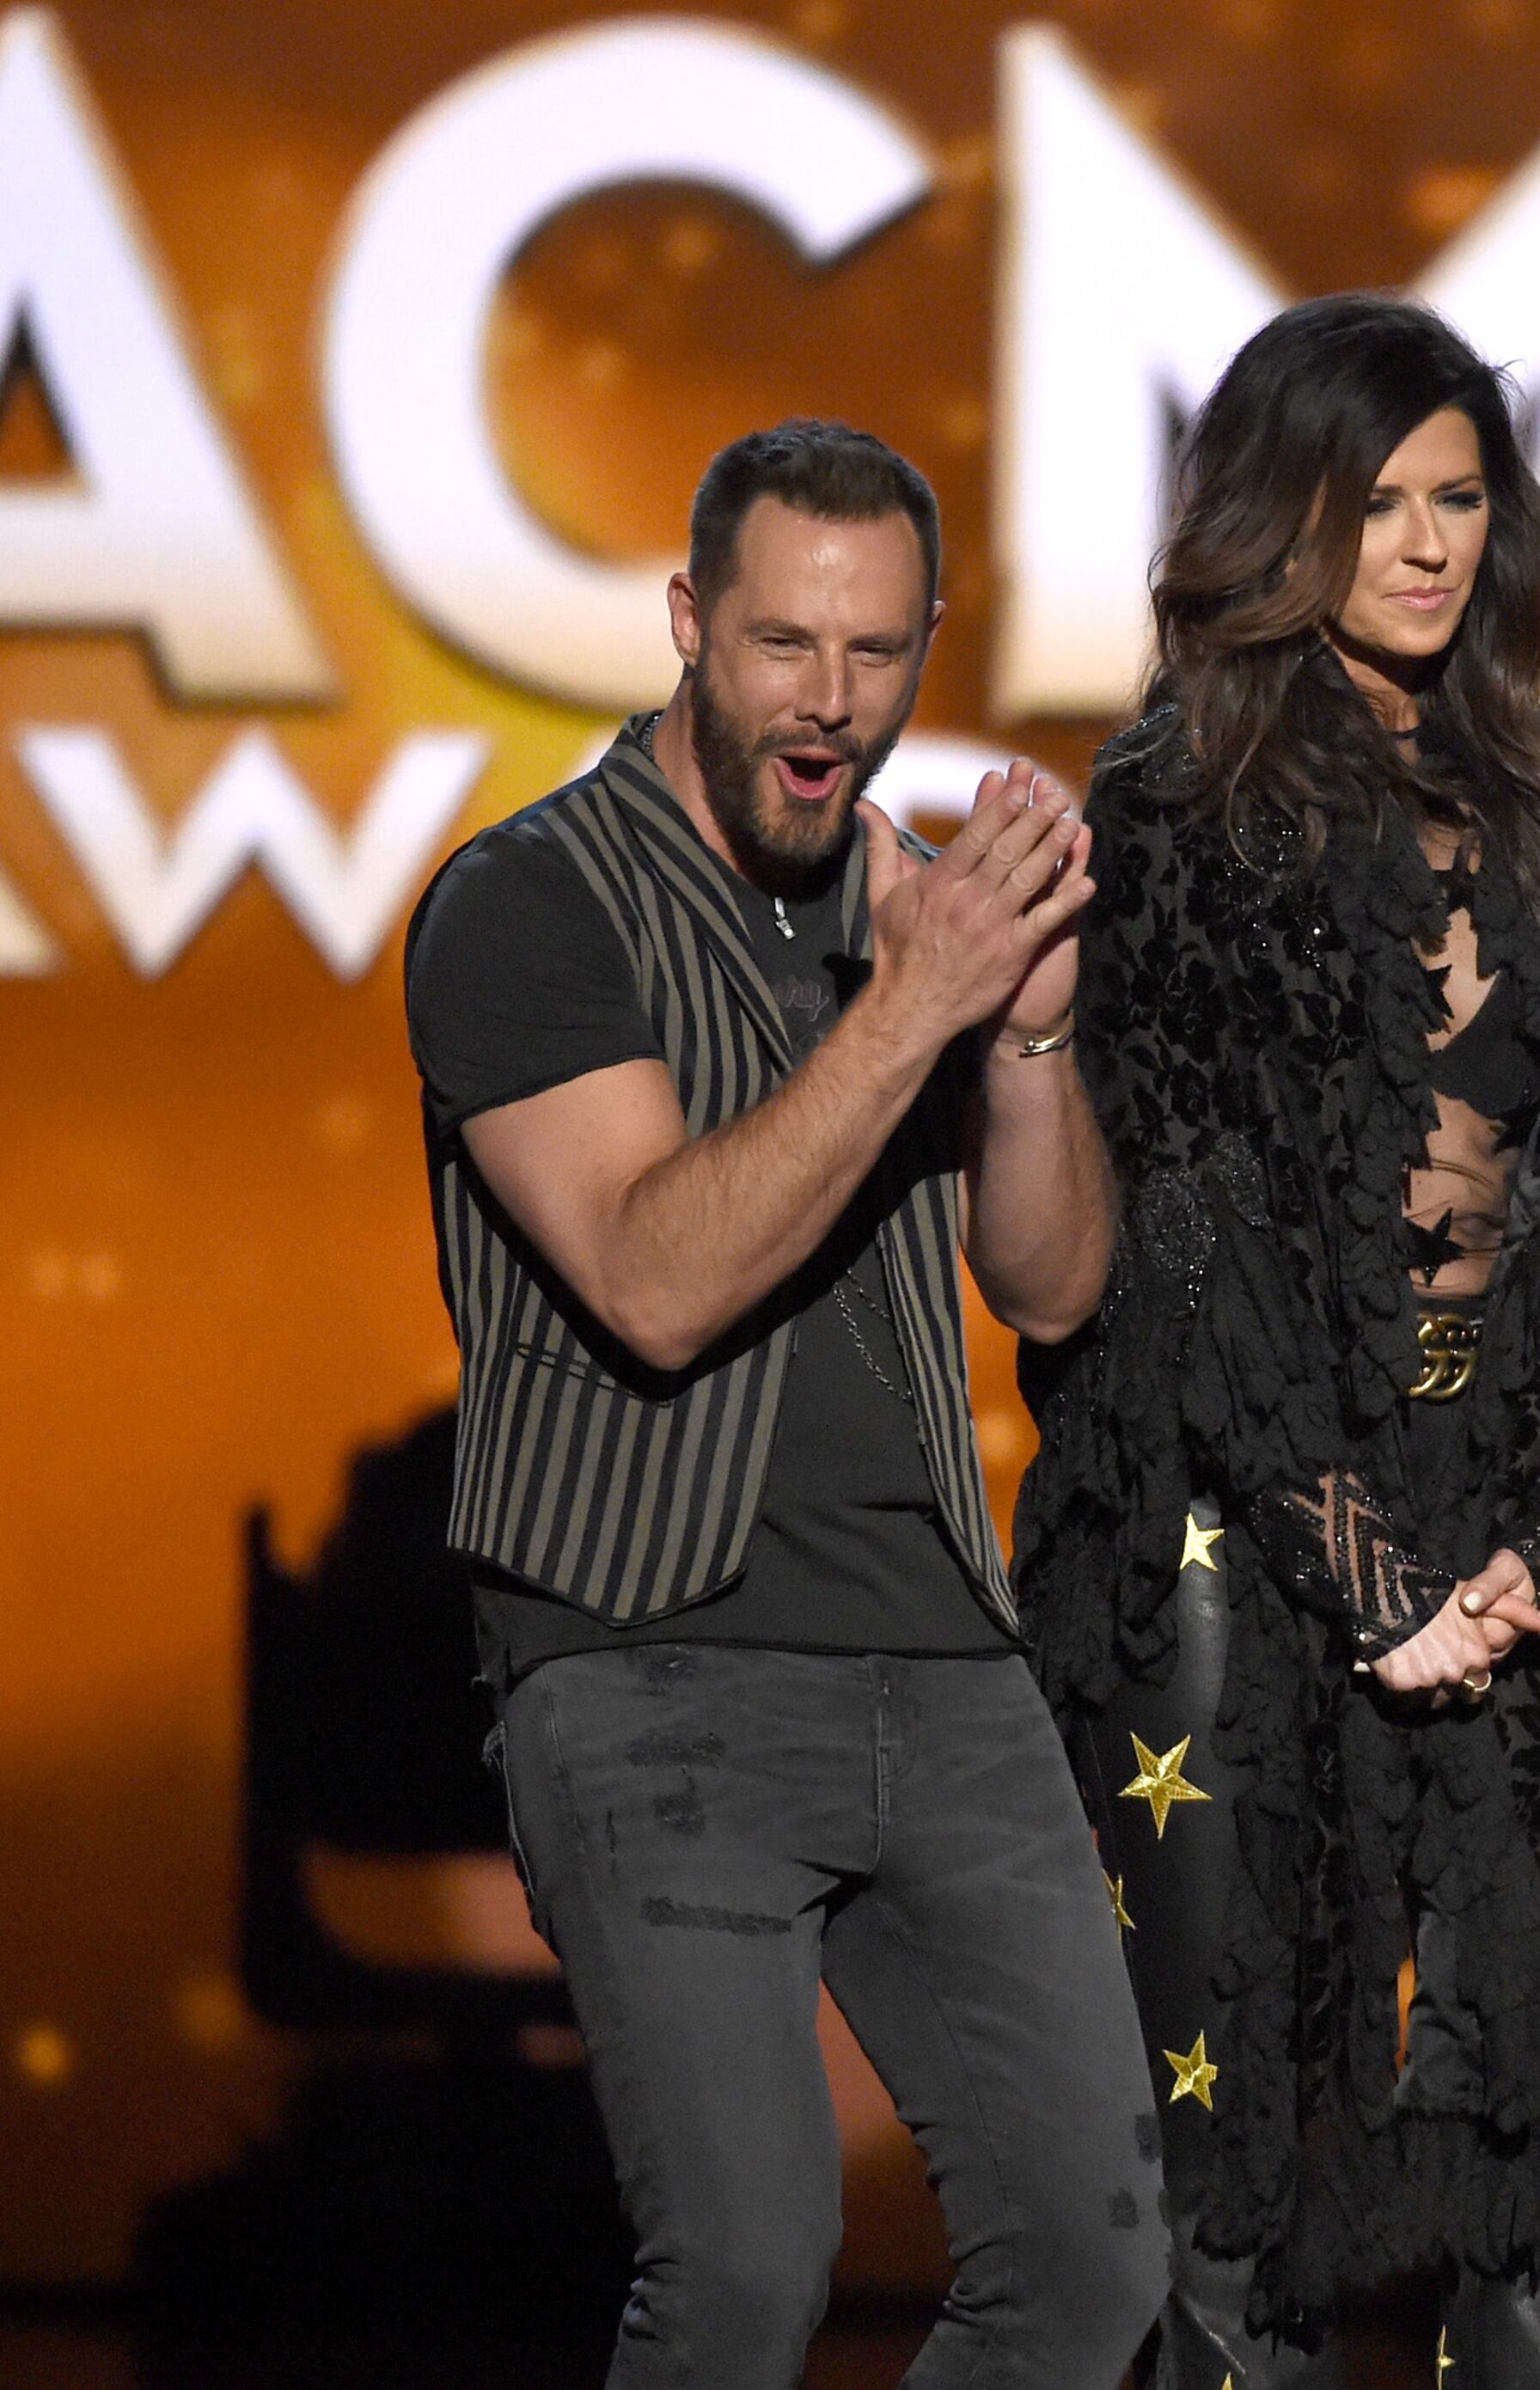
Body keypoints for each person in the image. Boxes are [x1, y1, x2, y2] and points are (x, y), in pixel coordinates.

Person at [401, 419, 1164, 2387]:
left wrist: (1031, 1030)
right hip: (649, 1658)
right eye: (782, 647)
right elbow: (654, 1278)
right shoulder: (526, 903)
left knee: (1090, 2268)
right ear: (685, 624)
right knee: (746, 2266)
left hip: (941, 1649)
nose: (830, 708)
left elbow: (1056, 1279)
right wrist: (913, 1002)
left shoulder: (924, 911)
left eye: (879, 654)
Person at [1010, 294, 1540, 2389]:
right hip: (1239, 1537)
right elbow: (1189, 1226)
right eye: (1375, 498)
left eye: (1460, 497)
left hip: (1509, 1545)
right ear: (1273, 511)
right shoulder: (1166, 799)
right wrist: (1365, 1567)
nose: (1425, 543)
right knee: (1238, 2185)